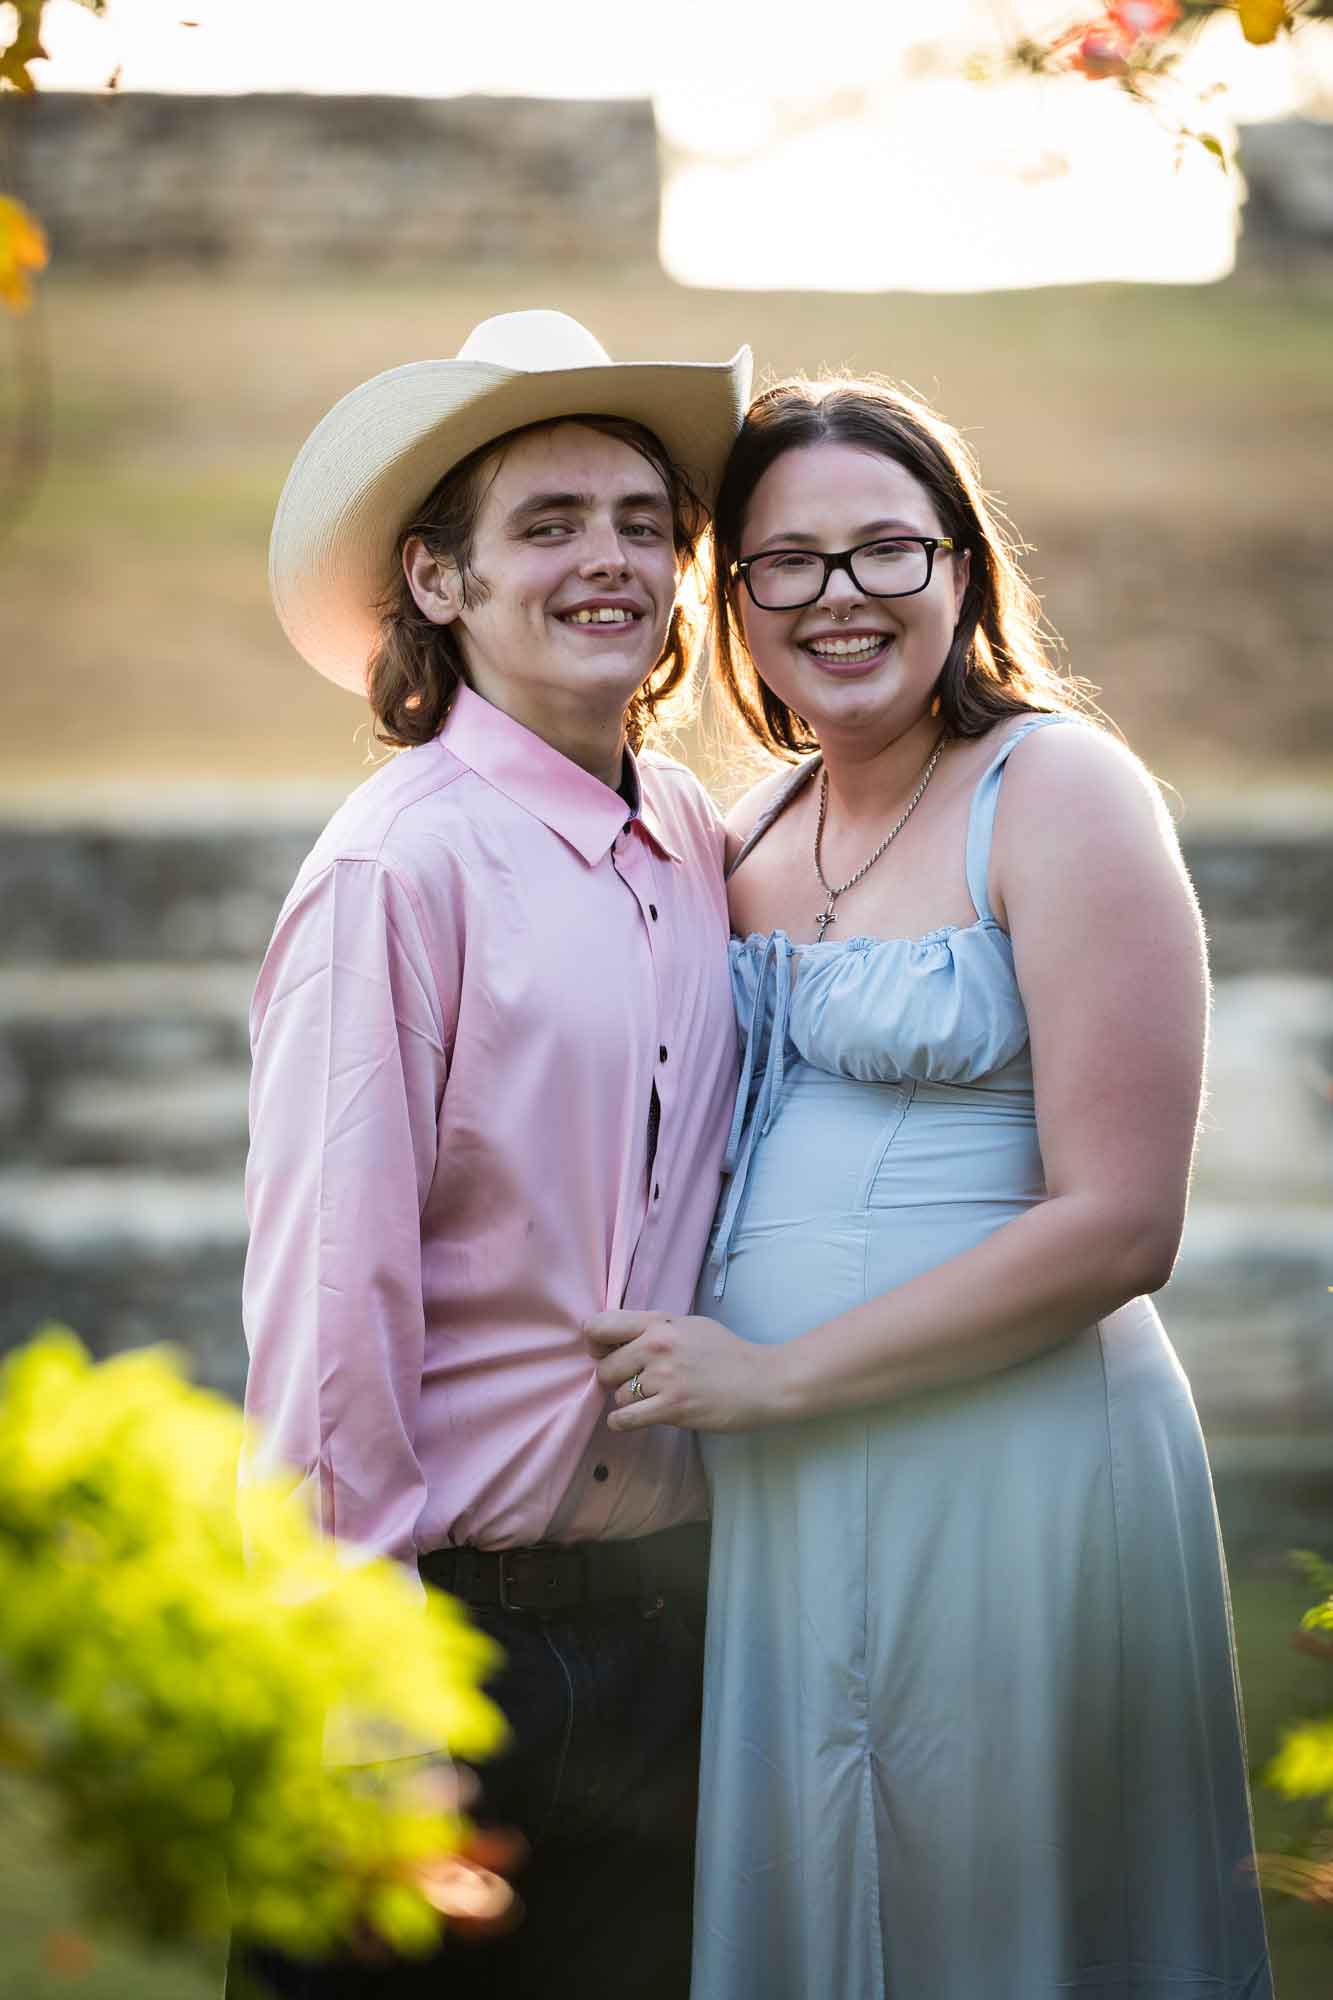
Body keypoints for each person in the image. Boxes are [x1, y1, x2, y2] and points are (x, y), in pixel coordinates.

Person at [586, 376, 1274, 1999]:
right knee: (830, 1884)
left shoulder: (1058, 793)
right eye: (786, 565)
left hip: (1010, 1461)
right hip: (787, 1484)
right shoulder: (747, 828)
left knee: (996, 1902)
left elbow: (1121, 1225)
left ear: (961, 569)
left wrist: (774, 1373)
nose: (839, 598)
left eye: (883, 550)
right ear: (732, 605)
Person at [229, 309, 751, 2000]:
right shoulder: (402, 872)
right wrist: (362, 1682)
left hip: (669, 1636)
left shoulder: (681, 837)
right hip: (446, 1642)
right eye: (547, 523)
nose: (610, 561)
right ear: (437, 585)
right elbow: (332, 1293)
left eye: (642, 524)